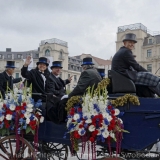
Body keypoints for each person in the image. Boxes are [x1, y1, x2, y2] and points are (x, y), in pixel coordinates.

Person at [112, 33, 160, 97]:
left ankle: (150, 96)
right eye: (130, 42)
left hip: (123, 75)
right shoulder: (126, 52)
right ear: (124, 43)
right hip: (125, 75)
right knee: (151, 77)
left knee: (147, 81)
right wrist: (149, 73)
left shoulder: (122, 51)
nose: (132, 44)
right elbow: (136, 66)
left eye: (133, 43)